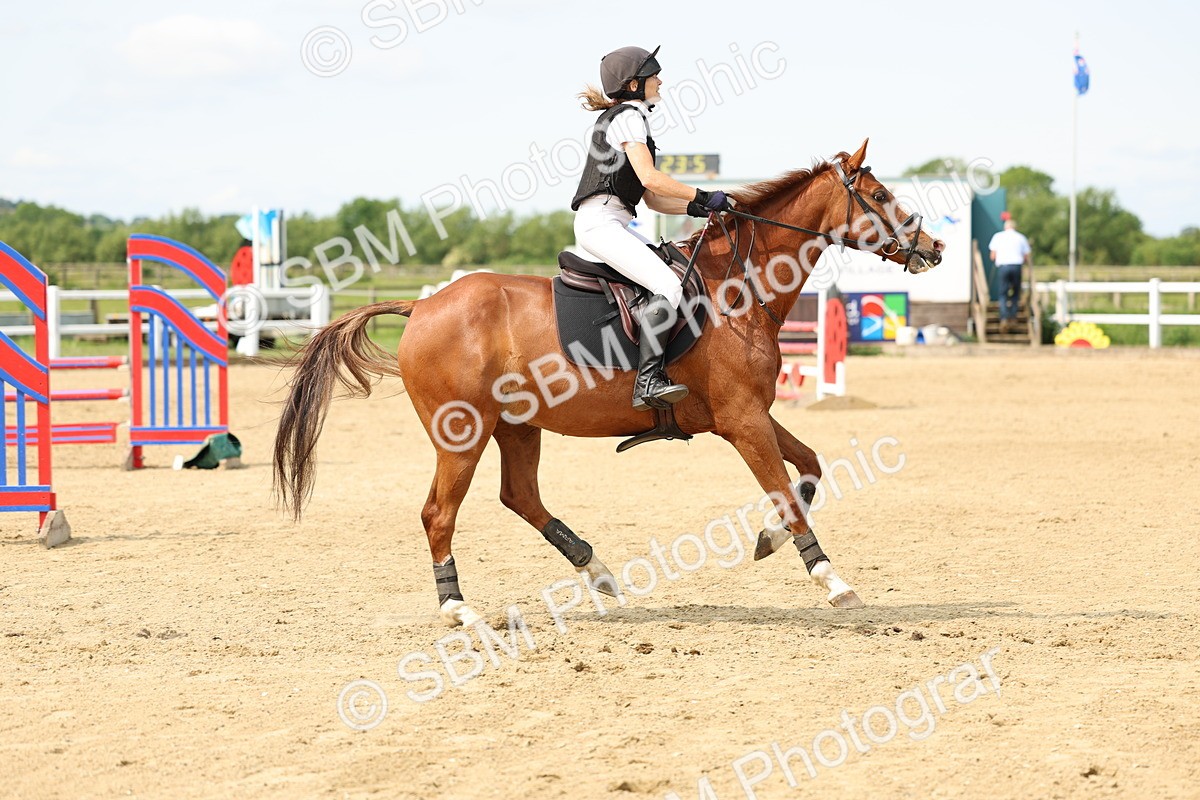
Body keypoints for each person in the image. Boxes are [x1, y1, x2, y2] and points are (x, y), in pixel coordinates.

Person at [571, 45, 732, 411]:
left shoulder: (630, 117)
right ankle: (648, 383)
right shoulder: (628, 117)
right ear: (633, 84)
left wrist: (697, 206)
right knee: (668, 285)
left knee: (671, 273)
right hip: (601, 222)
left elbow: (654, 199)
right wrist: (704, 194)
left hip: (614, 219)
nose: (660, 79)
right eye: (654, 73)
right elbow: (650, 177)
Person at [988, 218, 1031, 333]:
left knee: (1003, 293)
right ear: (1014, 227)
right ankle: (1012, 317)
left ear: (1005, 227)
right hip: (1016, 266)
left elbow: (992, 256)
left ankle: (1004, 318)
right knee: (1016, 293)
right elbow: (1026, 256)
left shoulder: (998, 236)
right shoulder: (1021, 237)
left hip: (1004, 266)